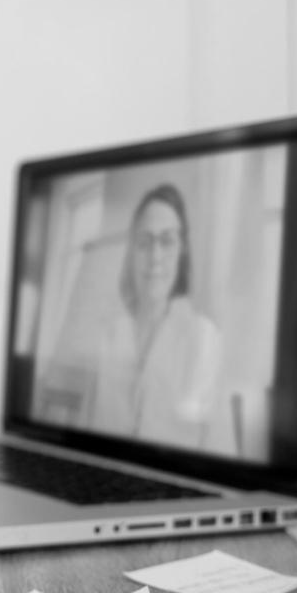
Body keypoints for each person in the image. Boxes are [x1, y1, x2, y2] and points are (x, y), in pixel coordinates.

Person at [89, 183, 224, 449]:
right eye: (144, 241)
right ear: (131, 252)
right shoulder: (109, 334)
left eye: (167, 240)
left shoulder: (203, 337)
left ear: (182, 250)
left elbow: (208, 447)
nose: (155, 256)